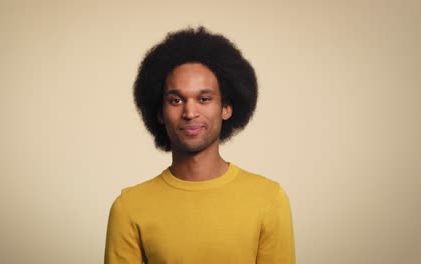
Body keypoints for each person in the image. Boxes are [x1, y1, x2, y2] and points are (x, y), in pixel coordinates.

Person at [105, 26, 295, 264]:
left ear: (226, 108)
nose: (190, 112)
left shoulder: (269, 199)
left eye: (204, 99)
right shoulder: (130, 207)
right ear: (160, 112)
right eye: (176, 100)